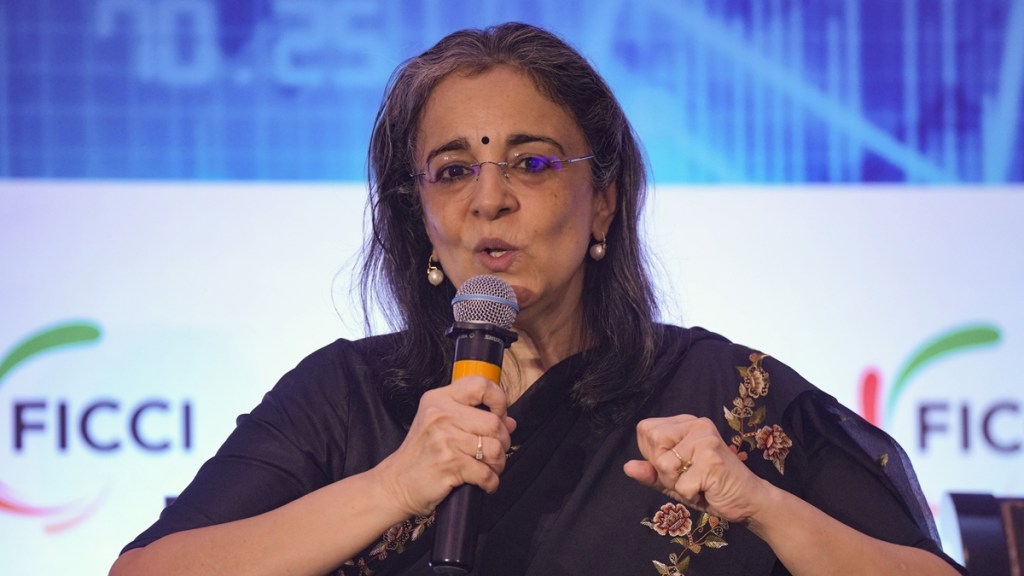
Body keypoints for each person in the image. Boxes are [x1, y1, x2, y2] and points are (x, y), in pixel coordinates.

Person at [110, 22, 966, 576]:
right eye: (453, 171)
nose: (489, 200)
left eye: (532, 163)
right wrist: (395, 486)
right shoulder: (346, 397)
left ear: (605, 201)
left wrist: (763, 507)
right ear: (419, 215)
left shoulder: (724, 396)